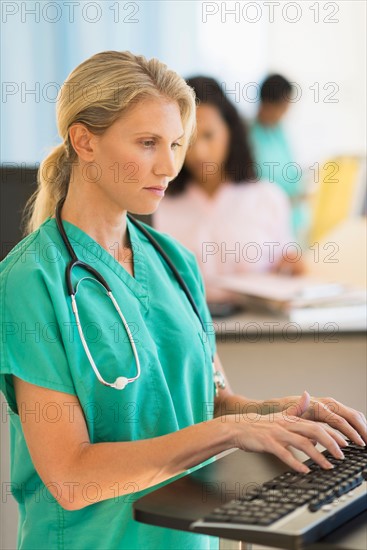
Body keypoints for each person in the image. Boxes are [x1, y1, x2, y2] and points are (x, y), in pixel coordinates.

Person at [0, 51, 366, 550]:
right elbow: (71, 476)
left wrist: (279, 416)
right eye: (147, 143)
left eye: (176, 143)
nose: (171, 165)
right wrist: (234, 430)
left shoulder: (175, 262)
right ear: (84, 140)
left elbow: (212, 404)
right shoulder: (31, 281)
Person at [154, 76, 305, 304]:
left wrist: (292, 268)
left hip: (257, 330)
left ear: (231, 132)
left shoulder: (268, 198)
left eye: (209, 135)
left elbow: (288, 264)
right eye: (187, 140)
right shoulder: (158, 203)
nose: (199, 153)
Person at [249, 74, 309, 241]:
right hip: (267, 223)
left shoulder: (279, 131)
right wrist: (290, 199)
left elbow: (289, 168)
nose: (286, 112)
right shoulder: (248, 137)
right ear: (268, 104)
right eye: (284, 107)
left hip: (294, 221)